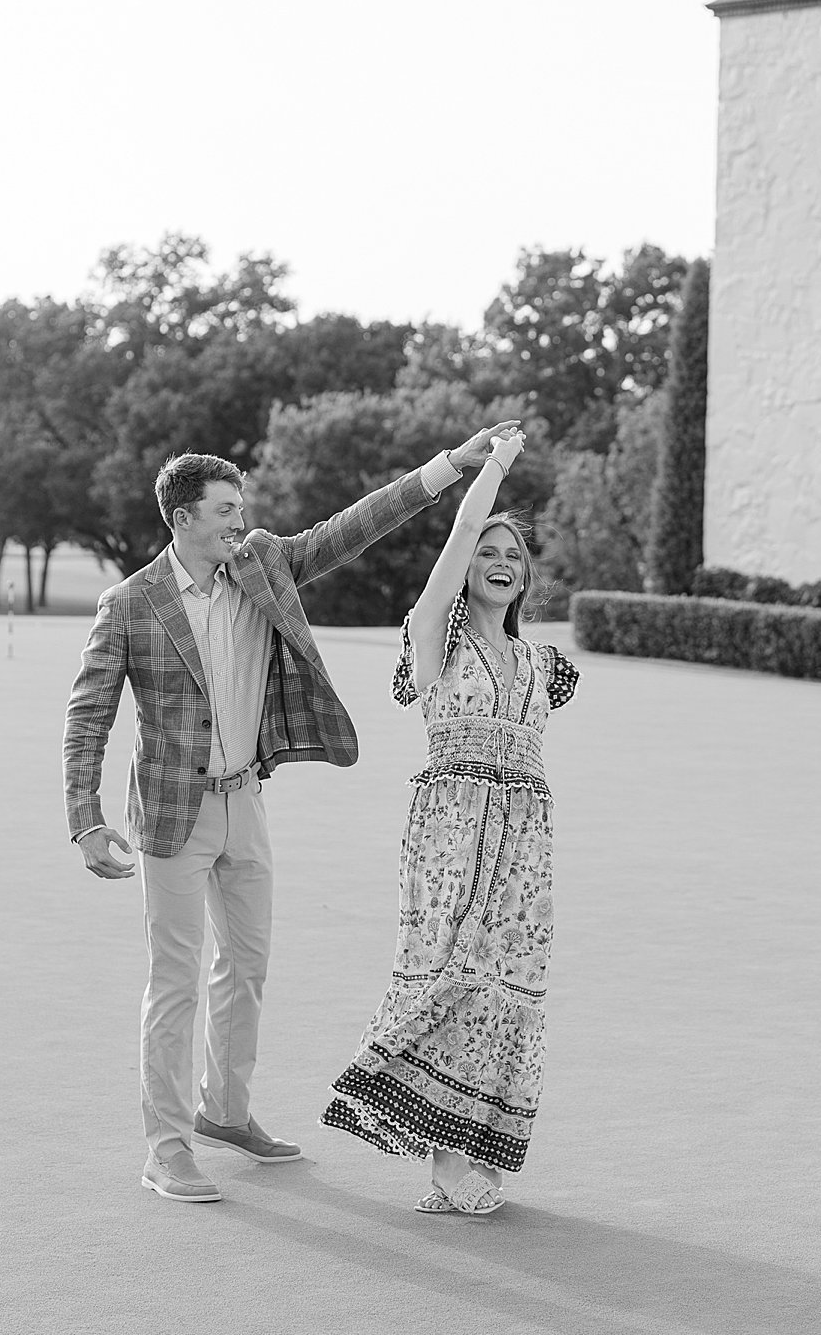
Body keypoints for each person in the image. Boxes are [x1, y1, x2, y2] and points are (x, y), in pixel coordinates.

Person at [63, 423, 517, 1204]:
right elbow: (89, 713)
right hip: (172, 816)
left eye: (240, 508)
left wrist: (451, 465)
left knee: (245, 968)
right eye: (225, 510)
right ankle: (166, 1150)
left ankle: (225, 1113)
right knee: (175, 982)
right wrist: (85, 817)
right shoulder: (130, 603)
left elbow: (353, 527)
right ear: (182, 518)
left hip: (246, 800)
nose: (239, 521)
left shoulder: (262, 563)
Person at [321, 427, 579, 1215]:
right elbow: (464, 526)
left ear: (526, 576)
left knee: (505, 986)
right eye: (486, 552)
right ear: (465, 569)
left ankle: (469, 1146)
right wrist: (496, 464)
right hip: (449, 830)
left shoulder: (543, 666)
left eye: (513, 556)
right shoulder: (435, 635)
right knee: (446, 973)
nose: (499, 561)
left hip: (525, 842)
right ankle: (443, 1161)